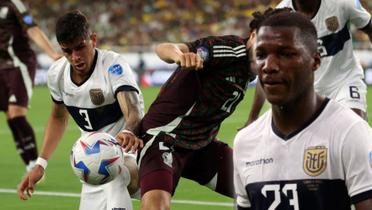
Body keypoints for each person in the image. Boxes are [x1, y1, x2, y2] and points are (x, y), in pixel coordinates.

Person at [234, 11, 372, 210]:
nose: (269, 66)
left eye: (286, 54)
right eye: (261, 55)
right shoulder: (245, 142)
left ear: (315, 61)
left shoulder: (350, 132)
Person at [17, 10, 145, 210]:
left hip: (130, 152)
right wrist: (40, 164)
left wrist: (129, 130)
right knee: (107, 171)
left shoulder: (113, 65)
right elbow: (58, 118)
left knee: (115, 171)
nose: (75, 57)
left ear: (93, 39)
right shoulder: (56, 75)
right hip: (90, 160)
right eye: (67, 51)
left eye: (80, 47)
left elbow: (133, 109)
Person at [134, 21, 259, 210]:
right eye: (262, 39)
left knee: (261, 188)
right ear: (252, 35)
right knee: (156, 207)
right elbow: (163, 48)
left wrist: (253, 119)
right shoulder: (230, 49)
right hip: (164, 138)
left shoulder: (258, 66)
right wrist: (180, 56)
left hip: (202, 146)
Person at [245, 0, 372, 125]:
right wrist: (253, 117)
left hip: (344, 81)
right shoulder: (281, 17)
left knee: (353, 125)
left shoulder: (342, 3)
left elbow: (369, 27)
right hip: (305, 92)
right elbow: (269, 69)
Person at [0, 0, 61, 172]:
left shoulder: (14, 3)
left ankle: (35, 164)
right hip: (1, 67)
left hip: (20, 64)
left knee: (16, 113)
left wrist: (52, 53)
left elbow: (32, 28)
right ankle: (28, 161)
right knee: (10, 116)